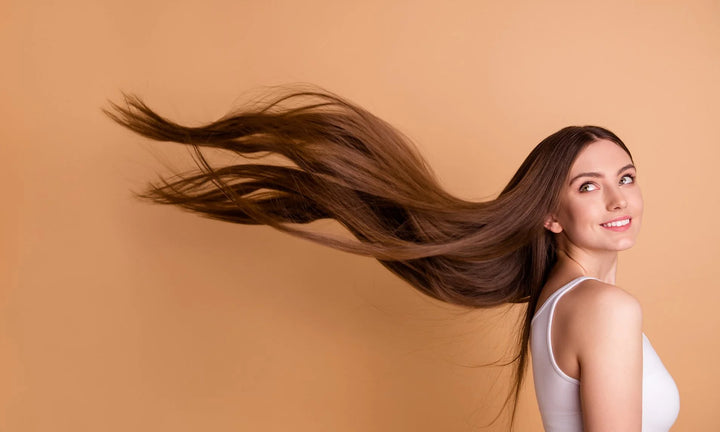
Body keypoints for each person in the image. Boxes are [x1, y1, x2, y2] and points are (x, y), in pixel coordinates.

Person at [105, 85, 680, 431]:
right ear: (549, 215)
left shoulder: (555, 300)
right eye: (587, 186)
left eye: (625, 177)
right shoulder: (605, 308)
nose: (617, 198)